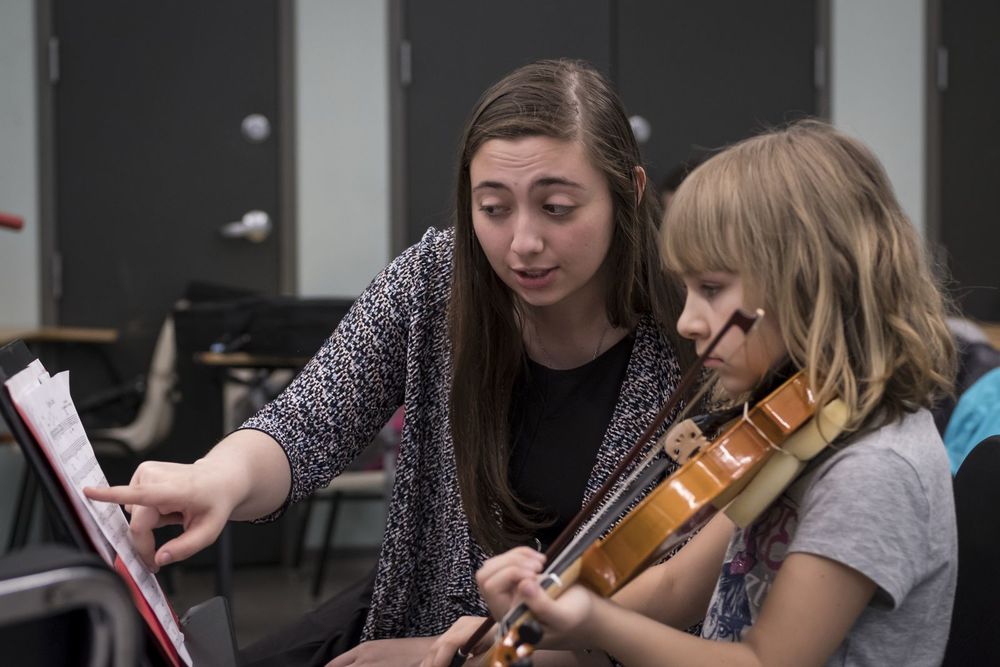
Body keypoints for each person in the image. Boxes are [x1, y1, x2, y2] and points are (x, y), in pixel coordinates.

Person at [84, 59, 693, 666]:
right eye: (493, 207)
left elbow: (670, 606)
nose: (523, 243)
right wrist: (217, 479)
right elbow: (307, 422)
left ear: (630, 193)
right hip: (416, 620)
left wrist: (464, 655)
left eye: (557, 208)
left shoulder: (691, 335)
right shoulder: (435, 279)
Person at [431, 120, 958, 666]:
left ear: (810, 280)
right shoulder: (794, 430)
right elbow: (676, 586)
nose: (686, 322)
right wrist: (527, 625)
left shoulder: (872, 472)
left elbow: (764, 661)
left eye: (710, 289)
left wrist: (594, 620)